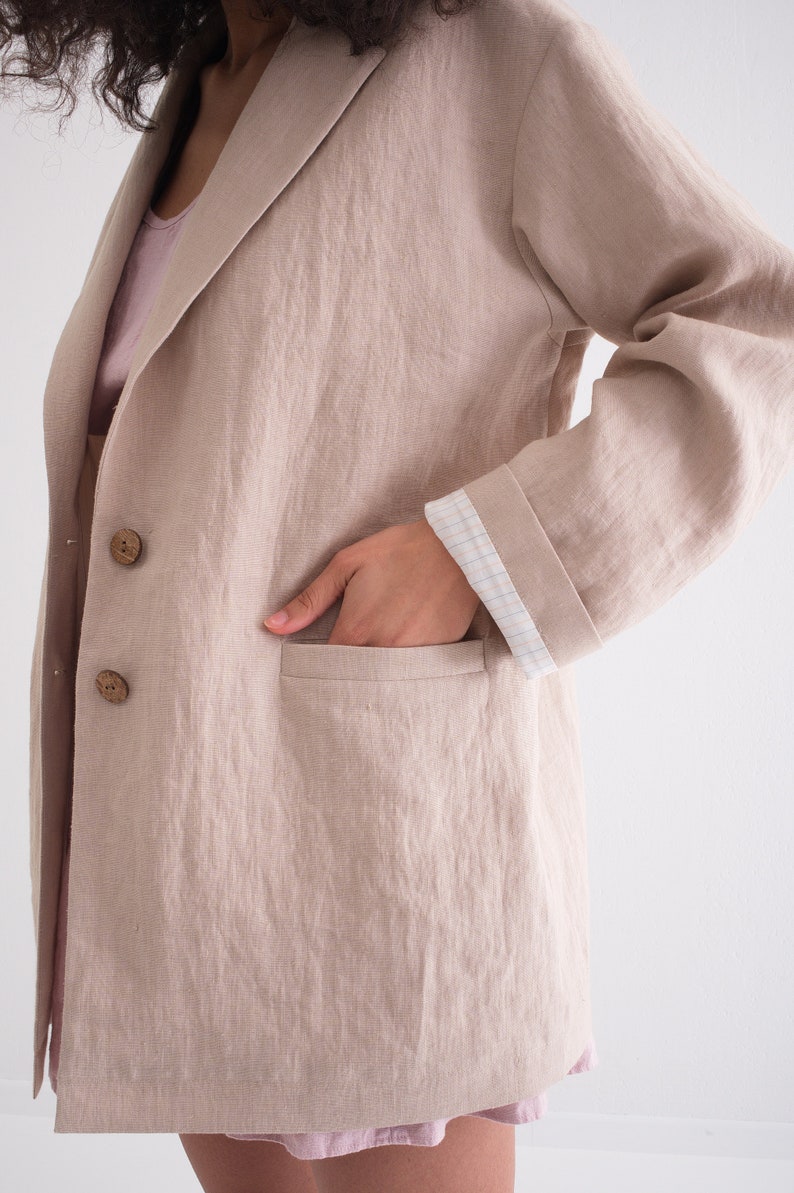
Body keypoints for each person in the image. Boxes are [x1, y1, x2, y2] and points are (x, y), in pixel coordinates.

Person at [4, 1, 793, 1191]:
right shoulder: (204, 88)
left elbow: (753, 325)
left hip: (384, 828)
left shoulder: (505, 61)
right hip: (189, 828)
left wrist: (488, 558)